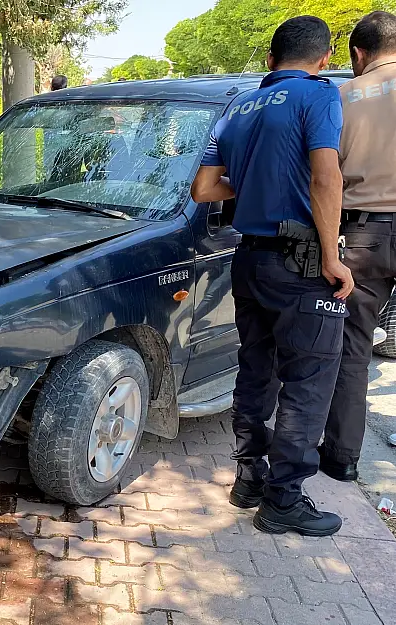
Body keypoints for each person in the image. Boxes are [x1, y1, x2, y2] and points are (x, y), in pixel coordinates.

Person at [191, 16, 354, 536]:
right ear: (324, 58)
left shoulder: (237, 105)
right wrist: (331, 256)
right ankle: (284, 499)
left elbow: (203, 189)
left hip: (250, 259)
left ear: (269, 59)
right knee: (308, 377)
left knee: (255, 368)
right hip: (301, 262)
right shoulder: (319, 94)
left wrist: (255, 187)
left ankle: (248, 479)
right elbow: (326, 175)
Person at [321, 11, 396, 482]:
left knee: (353, 347)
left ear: (358, 53)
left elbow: (323, 178)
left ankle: (342, 458)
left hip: (365, 234)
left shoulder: (342, 97)